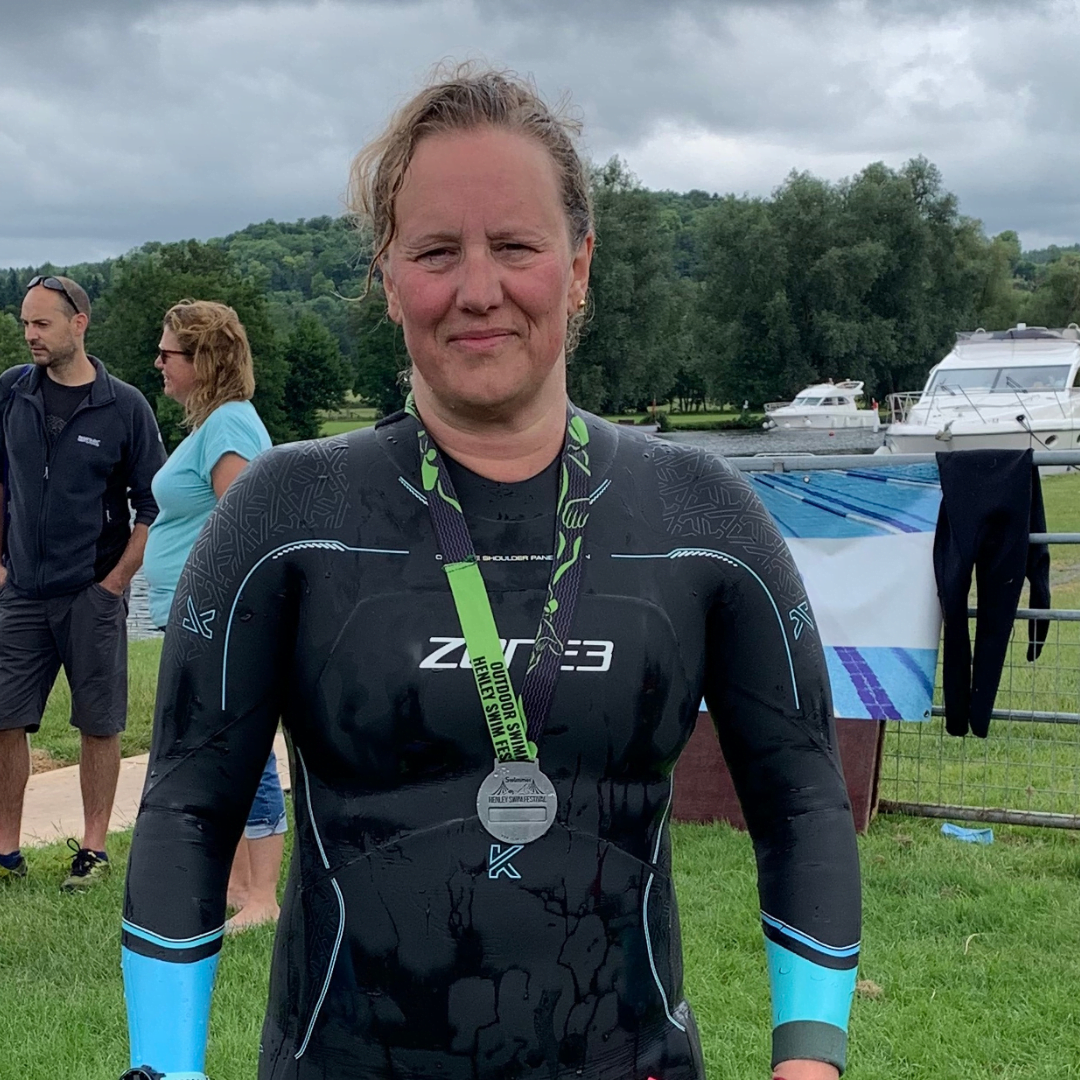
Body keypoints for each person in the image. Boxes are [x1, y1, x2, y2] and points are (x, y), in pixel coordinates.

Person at [119, 68, 860, 1080]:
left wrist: (809, 1060)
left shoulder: (702, 516)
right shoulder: (286, 515)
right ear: (389, 278)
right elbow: (188, 810)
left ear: (579, 266)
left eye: (515, 246)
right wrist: (166, 1068)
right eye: (436, 252)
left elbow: (803, 800)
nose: (477, 289)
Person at [0, 274, 165, 890]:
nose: (30, 335)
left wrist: (116, 582)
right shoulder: (12, 392)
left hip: (92, 592)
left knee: (99, 723)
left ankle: (93, 851)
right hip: (21, 593)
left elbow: (153, 504)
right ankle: (6, 851)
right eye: (25, 323)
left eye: (41, 323)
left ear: (79, 324)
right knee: (4, 719)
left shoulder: (123, 406)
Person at [141, 299, 282, 930]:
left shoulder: (228, 426)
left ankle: (263, 896)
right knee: (212, 745)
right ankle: (235, 884)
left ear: (204, 360)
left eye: (167, 353)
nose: (159, 363)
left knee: (242, 746)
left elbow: (243, 528)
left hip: (216, 618)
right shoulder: (214, 426)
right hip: (194, 616)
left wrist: (219, 611)